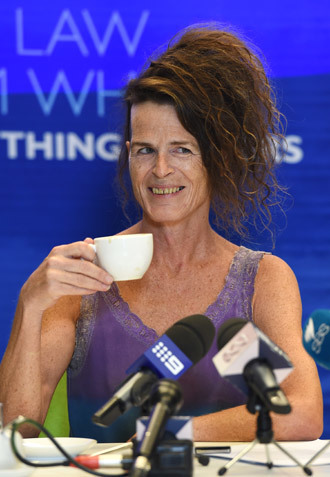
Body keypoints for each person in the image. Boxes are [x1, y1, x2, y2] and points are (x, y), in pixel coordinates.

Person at [0, 25, 323, 442]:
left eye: (182, 149)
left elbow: (302, 412)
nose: (161, 170)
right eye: (145, 150)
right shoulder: (82, 276)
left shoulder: (263, 279)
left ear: (217, 158)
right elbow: (15, 431)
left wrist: (169, 433)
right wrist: (30, 307)